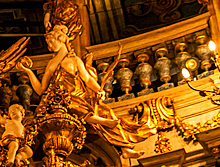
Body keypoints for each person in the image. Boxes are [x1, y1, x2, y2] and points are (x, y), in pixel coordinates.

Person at [20, 26, 151, 157]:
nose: (49, 46)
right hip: (61, 101)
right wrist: (28, 72)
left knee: (106, 112)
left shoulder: (75, 60)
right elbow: (41, 89)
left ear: (60, 40)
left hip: (81, 97)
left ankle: (124, 148)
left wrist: (99, 90)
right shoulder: (52, 63)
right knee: (74, 106)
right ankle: (101, 121)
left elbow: (87, 79)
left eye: (51, 42)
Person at [0, 103, 33, 167]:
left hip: (20, 142)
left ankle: (18, 157)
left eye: (14, 110)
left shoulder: (23, 127)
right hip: (10, 138)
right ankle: (10, 161)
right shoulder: (8, 121)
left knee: (29, 151)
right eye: (11, 112)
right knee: (14, 145)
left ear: (21, 113)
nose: (12, 112)